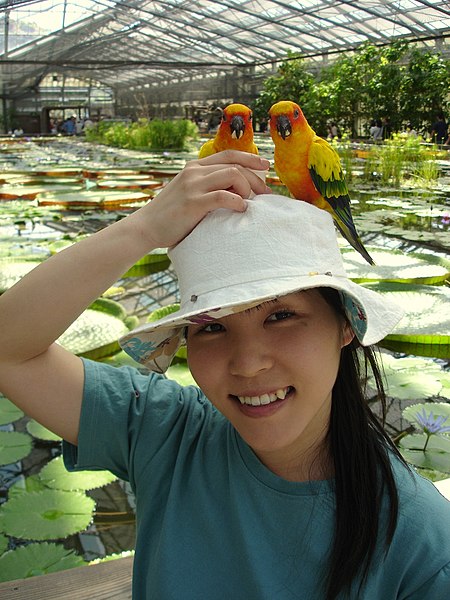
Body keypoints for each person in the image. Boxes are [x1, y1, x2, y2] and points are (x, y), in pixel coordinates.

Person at [0, 150, 448, 600]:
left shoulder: (419, 543)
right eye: (212, 326)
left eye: (282, 316)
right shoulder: (167, 434)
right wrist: (145, 227)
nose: (248, 363)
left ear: (346, 324)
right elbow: (9, 351)